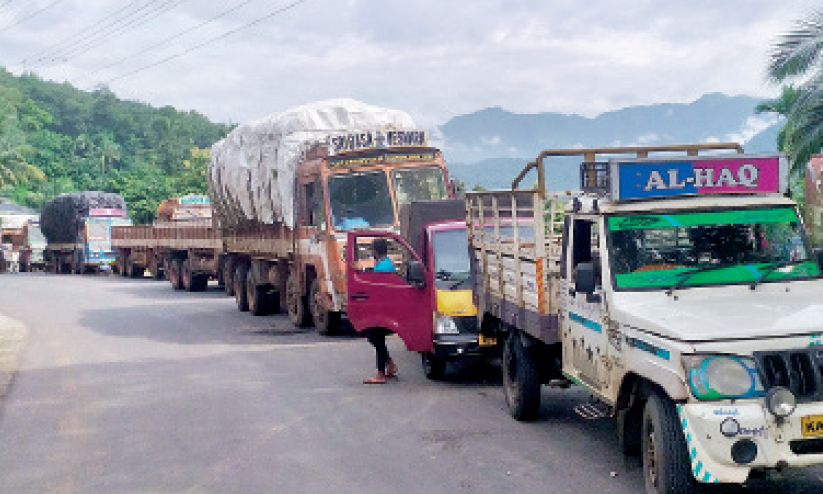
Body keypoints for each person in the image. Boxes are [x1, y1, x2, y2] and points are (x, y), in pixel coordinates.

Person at [363, 238, 398, 384]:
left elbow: (376, 289)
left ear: (375, 251)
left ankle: (380, 373)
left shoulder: (381, 268)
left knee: (376, 337)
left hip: (382, 308)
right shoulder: (387, 264)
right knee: (375, 337)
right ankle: (389, 364)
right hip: (387, 307)